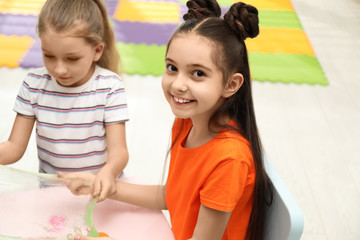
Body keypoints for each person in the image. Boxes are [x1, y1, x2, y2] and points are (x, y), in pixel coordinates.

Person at [60, 0, 273, 239]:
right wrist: (104, 187)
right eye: (172, 68)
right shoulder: (187, 123)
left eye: (198, 73)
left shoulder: (229, 160)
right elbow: (174, 197)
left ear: (231, 84)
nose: (178, 84)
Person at [0, 0, 129, 201]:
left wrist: (108, 173)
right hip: (51, 194)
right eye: (49, 56)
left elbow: (119, 152)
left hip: (99, 193)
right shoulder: (34, 84)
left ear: (97, 51)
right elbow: (14, 147)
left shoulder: (109, 86)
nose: (59, 69)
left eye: (72, 59)